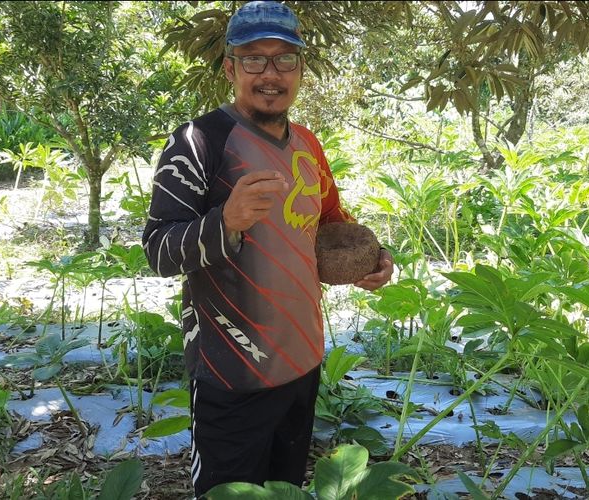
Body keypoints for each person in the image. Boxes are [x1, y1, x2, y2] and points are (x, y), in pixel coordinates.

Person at [142, 1, 393, 497]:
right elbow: (158, 250)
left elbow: (328, 226)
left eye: (284, 59)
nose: (270, 73)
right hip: (229, 368)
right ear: (231, 67)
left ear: (301, 68)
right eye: (254, 59)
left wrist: (372, 259)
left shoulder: (307, 144)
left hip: (301, 359)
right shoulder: (198, 143)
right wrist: (225, 221)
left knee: (283, 488)